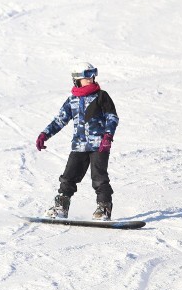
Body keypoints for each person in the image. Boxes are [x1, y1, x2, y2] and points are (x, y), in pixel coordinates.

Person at [35, 62, 119, 220]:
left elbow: (112, 117)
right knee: (68, 177)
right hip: (79, 146)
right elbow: (59, 121)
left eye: (92, 75)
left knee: (99, 178)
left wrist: (108, 135)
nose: (91, 78)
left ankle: (104, 208)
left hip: (99, 145)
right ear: (77, 79)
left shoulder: (101, 96)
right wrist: (44, 134)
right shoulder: (72, 100)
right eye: (87, 76)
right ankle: (61, 208)